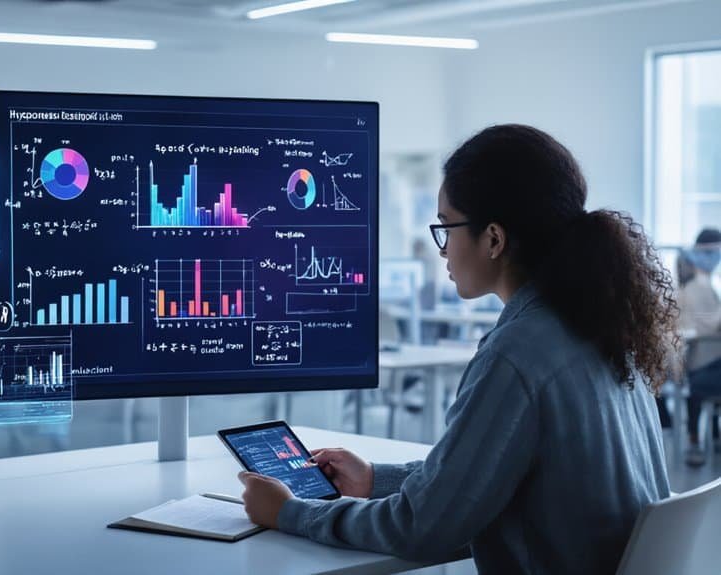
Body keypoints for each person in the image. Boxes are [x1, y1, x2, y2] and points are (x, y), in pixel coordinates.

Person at [238, 125, 676, 574]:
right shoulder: (597, 325)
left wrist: (289, 513)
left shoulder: (517, 355)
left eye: (446, 227)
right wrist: (373, 479)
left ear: (494, 239)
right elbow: (474, 475)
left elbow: (422, 528)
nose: (443, 249)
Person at [677, 227, 721, 466]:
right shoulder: (695, 287)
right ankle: (696, 440)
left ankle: (712, 436)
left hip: (709, 359)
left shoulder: (705, 284)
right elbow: (707, 324)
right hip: (702, 362)